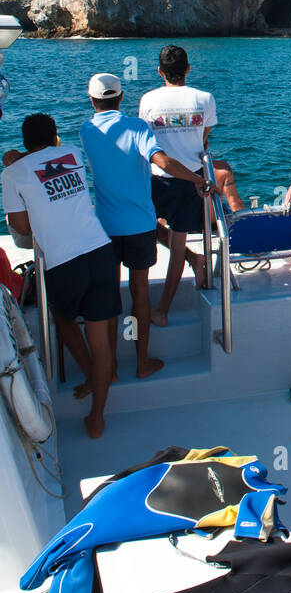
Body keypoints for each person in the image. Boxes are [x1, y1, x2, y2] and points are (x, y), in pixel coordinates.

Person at [80, 72, 212, 386]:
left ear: (92, 100)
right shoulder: (137, 127)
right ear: (121, 97)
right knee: (140, 293)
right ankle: (141, 363)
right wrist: (198, 180)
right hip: (139, 226)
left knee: (110, 295)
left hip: (106, 228)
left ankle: (109, 367)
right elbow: (163, 162)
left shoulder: (85, 130)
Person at [1, 113, 122, 438]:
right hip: (99, 252)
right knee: (101, 344)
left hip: (62, 263)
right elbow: (46, 157)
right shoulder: (72, 153)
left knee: (63, 320)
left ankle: (90, 375)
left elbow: (22, 229)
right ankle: (97, 416)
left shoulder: (12, 173)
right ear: (54, 137)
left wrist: (14, 163)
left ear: (25, 143)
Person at [138, 45, 241, 326]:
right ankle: (187, 272)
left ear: (160, 71)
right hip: (192, 181)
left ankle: (165, 304)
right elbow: (203, 139)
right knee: (178, 240)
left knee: (147, 227)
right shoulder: (205, 98)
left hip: (156, 178)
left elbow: (146, 142)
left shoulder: (147, 100)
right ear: (188, 69)